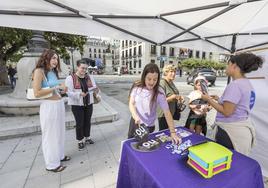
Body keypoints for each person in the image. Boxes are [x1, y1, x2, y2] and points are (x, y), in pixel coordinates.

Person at [201, 53, 263, 155]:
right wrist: (220, 99)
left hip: (230, 133)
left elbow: (227, 112)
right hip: (241, 130)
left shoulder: (235, 85)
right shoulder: (246, 83)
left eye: (228, 64)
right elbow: (239, 105)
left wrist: (208, 100)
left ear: (234, 66)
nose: (226, 67)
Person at [32, 49, 70, 173]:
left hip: (58, 105)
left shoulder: (52, 72)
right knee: (50, 136)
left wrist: (62, 90)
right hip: (49, 107)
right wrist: (56, 87)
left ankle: (59, 156)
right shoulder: (39, 71)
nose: (55, 61)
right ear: (46, 58)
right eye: (53, 58)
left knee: (59, 133)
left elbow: (54, 90)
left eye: (57, 58)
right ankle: (51, 164)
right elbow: (37, 93)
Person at [128, 63, 182, 144]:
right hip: (135, 122)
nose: (152, 82)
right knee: (130, 144)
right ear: (144, 77)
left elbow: (167, 112)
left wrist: (173, 133)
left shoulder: (159, 92)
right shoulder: (137, 86)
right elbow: (131, 103)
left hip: (148, 126)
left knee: (144, 148)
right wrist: (135, 116)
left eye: (155, 79)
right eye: (149, 79)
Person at [65, 60, 99, 150]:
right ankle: (80, 140)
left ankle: (87, 137)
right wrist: (79, 94)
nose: (84, 70)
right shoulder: (70, 78)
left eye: (86, 68)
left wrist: (96, 90)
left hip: (88, 103)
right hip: (77, 105)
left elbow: (94, 87)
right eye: (82, 68)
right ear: (77, 67)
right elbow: (68, 92)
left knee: (88, 121)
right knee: (80, 123)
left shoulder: (89, 77)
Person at [157, 64, 184, 131]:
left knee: (169, 132)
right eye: (171, 71)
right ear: (166, 72)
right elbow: (159, 101)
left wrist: (179, 97)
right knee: (164, 134)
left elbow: (175, 94)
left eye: (174, 72)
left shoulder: (171, 82)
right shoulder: (162, 83)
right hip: (163, 114)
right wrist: (172, 98)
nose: (174, 74)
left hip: (171, 112)